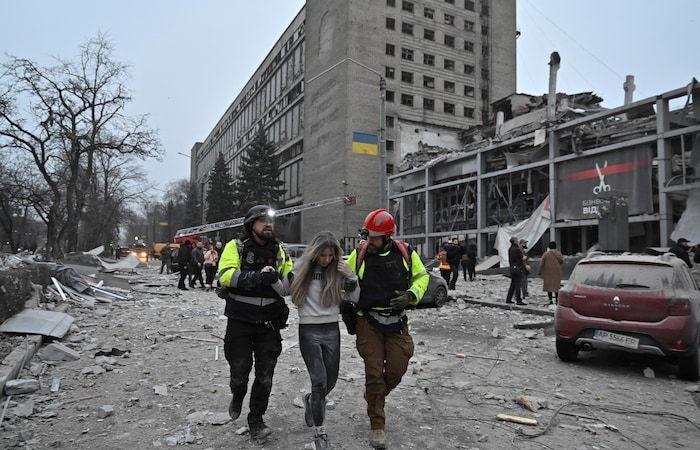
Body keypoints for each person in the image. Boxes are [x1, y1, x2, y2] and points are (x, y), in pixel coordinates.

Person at [346, 209, 429, 449]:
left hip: (396, 322)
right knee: (374, 373)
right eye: (368, 235)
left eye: (374, 237)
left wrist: (411, 295)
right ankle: (377, 425)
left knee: (397, 368)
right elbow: (341, 275)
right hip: (367, 321)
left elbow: (422, 277)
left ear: (387, 236)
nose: (369, 241)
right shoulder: (359, 254)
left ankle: (375, 395)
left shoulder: (406, 253)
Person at [217, 205, 293, 442]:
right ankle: (238, 393)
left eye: (270, 221)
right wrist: (257, 277)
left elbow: (288, 284)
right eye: (262, 221)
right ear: (251, 225)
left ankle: (256, 420)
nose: (268, 225)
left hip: (269, 323)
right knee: (239, 372)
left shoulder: (280, 250)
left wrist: (280, 279)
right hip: (240, 321)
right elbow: (226, 275)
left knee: (265, 375)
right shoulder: (236, 247)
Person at [290, 231, 359, 450]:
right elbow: (284, 288)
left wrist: (351, 277)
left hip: (331, 329)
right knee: (319, 380)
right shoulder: (302, 267)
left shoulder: (338, 270)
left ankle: (311, 400)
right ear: (315, 252)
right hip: (308, 329)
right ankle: (320, 432)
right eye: (322, 255)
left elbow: (355, 297)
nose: (326, 259)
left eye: (330, 255)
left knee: (331, 381)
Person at [506, 237, 526, 305]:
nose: (518, 241)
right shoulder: (517, 249)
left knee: (513, 285)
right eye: (517, 240)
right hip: (518, 268)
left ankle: (508, 299)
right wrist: (525, 257)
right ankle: (518, 300)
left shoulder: (510, 249)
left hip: (512, 268)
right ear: (514, 242)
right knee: (518, 285)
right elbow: (522, 258)